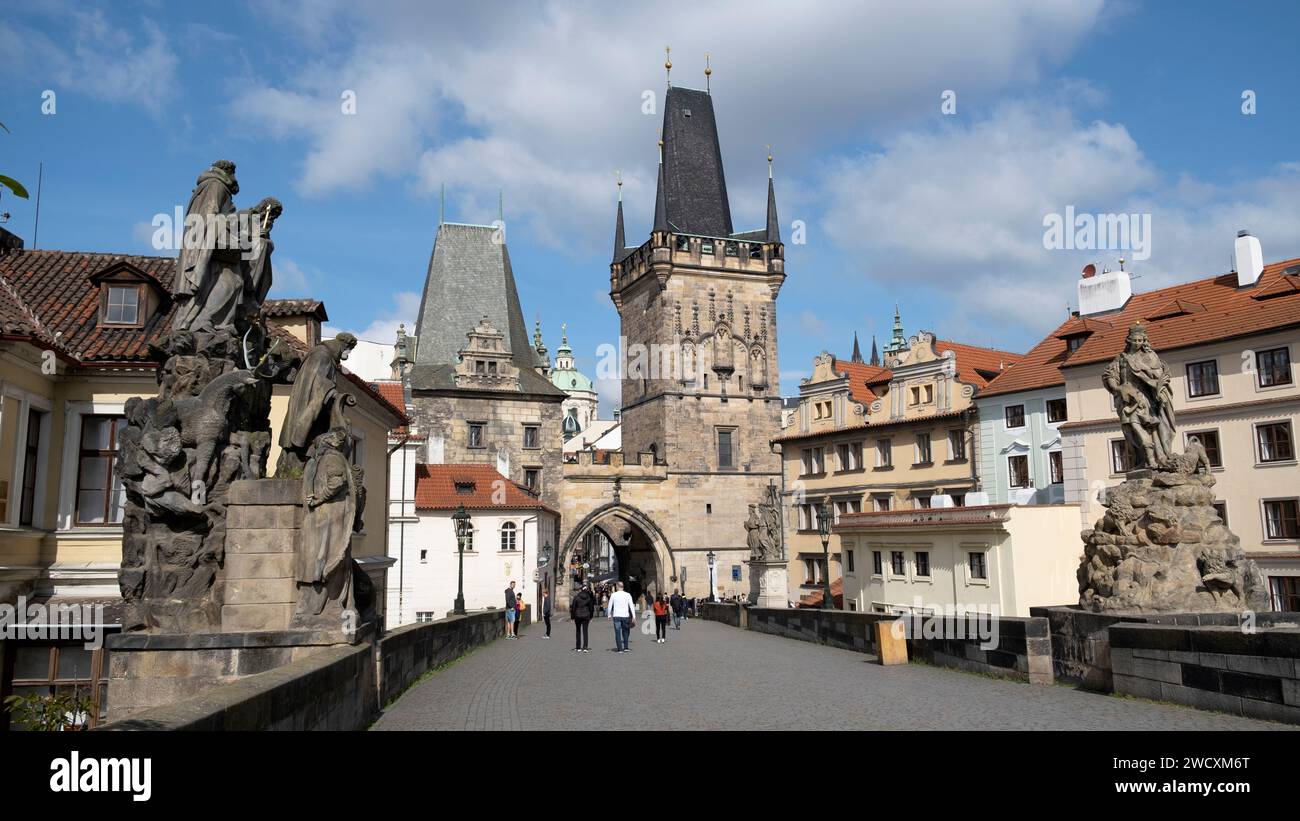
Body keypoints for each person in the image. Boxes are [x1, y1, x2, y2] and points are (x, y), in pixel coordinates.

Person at [607, 581, 636, 653]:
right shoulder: (628, 595)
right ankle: (626, 647)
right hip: (625, 616)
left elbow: (610, 605)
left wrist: (609, 614)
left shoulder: (613, 595)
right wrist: (634, 616)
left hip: (616, 616)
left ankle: (620, 649)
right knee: (625, 632)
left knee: (617, 632)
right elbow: (631, 606)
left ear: (617, 586)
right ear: (623, 587)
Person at [570, 584, 594, 652]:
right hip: (586, 616)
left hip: (578, 616)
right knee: (585, 631)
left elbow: (573, 608)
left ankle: (578, 647)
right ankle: (585, 647)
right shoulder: (589, 597)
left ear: (581, 590)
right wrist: (591, 616)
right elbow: (591, 608)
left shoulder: (576, 597)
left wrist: (572, 617)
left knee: (578, 631)